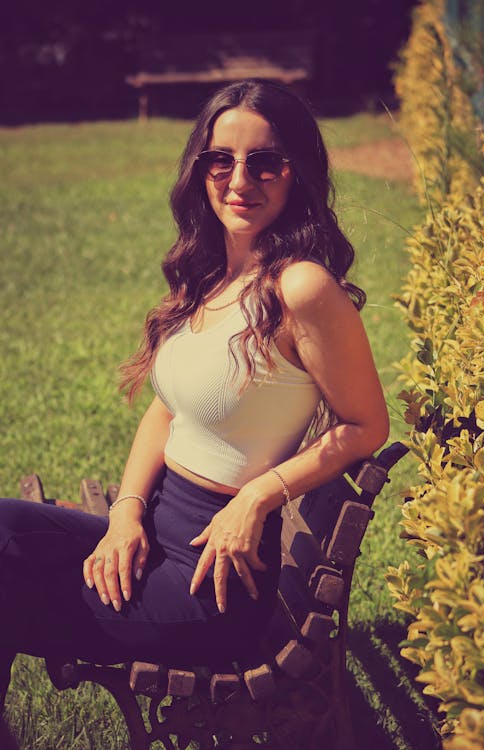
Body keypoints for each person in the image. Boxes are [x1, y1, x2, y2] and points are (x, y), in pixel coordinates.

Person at [0, 79, 389, 710]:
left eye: (265, 162)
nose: (240, 180)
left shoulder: (301, 289)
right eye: (221, 159)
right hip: (154, 529)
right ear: (200, 168)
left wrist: (258, 497)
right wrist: (125, 514)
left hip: (210, 585)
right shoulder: (215, 272)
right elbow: (166, 408)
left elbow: (367, 426)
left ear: (298, 174)